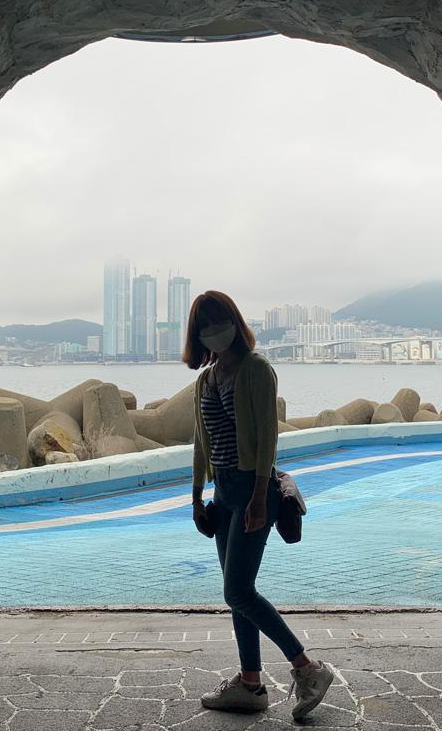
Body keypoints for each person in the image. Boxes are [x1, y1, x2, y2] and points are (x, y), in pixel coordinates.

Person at [184, 289, 336, 720]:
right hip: (223, 494)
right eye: (205, 327)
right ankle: (251, 685)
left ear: (235, 323)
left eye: (220, 323)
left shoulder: (256, 369)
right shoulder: (205, 379)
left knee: (237, 590)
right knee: (238, 595)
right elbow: (202, 441)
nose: (214, 333)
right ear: (197, 335)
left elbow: (267, 437)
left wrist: (257, 499)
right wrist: (196, 495)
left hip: (255, 490)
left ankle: (308, 669)